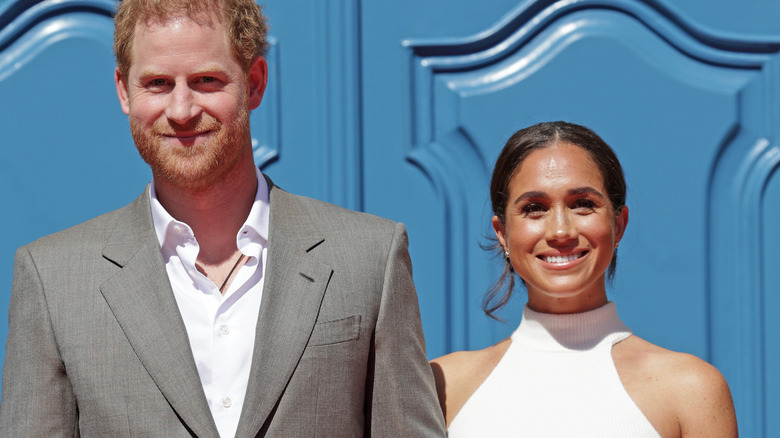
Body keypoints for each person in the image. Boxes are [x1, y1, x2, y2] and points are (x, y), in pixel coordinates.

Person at [0, 0, 445, 436]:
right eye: (156, 83)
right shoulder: (53, 282)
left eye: (206, 80)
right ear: (123, 90)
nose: (181, 111)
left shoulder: (369, 258)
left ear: (254, 83)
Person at [431, 121, 737, 437]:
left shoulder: (691, 389)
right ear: (502, 233)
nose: (560, 231)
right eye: (534, 208)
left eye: (582, 204)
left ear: (619, 225)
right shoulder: (442, 386)